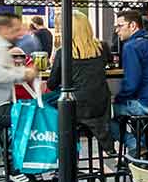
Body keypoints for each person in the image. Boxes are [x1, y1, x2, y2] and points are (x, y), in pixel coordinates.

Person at [48, 12, 113, 149]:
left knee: (45, 106)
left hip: (74, 108)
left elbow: (52, 84)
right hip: (100, 105)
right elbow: (109, 63)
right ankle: (108, 149)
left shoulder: (63, 52)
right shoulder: (102, 48)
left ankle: (65, 155)